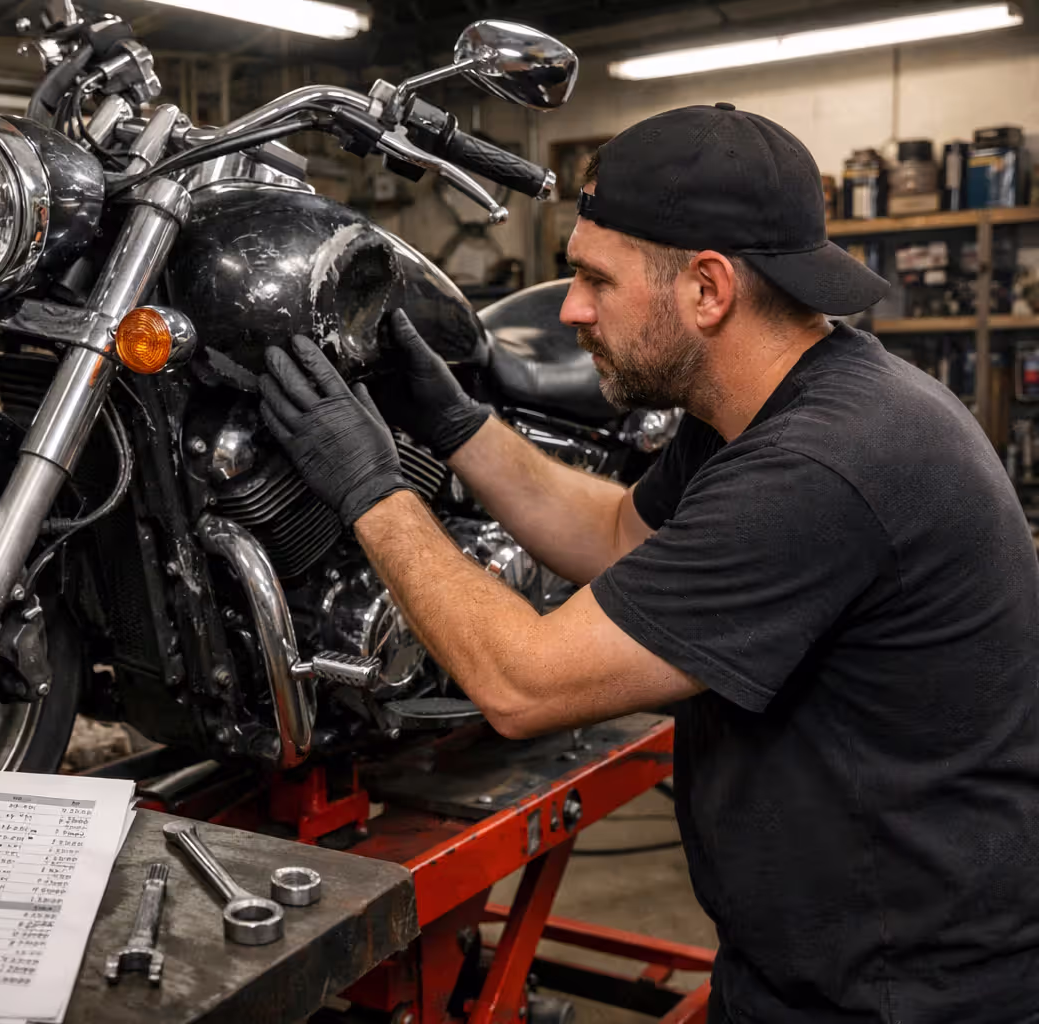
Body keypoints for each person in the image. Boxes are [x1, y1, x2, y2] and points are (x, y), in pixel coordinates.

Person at [258, 103, 1039, 1022]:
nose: (572, 308)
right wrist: (456, 428)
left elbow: (521, 684)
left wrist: (371, 493)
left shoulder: (824, 463)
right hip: (819, 957)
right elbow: (620, 533)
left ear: (708, 289)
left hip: (906, 996)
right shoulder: (778, 399)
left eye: (594, 277)